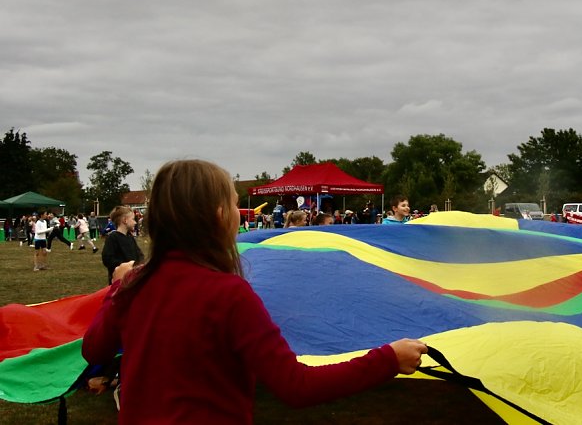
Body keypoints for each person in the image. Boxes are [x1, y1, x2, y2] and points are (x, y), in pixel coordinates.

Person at [82, 159, 426, 424]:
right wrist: (388, 359)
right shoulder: (228, 294)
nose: (237, 212)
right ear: (218, 216)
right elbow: (295, 385)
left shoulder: (134, 286)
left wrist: (116, 290)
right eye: (234, 204)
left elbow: (93, 348)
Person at [101, 206, 144, 286]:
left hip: (133, 280)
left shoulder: (130, 237)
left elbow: (139, 254)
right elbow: (107, 259)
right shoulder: (112, 238)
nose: (135, 222)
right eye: (133, 219)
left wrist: (139, 266)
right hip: (120, 283)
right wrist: (125, 266)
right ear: (125, 220)